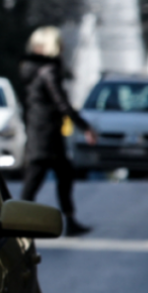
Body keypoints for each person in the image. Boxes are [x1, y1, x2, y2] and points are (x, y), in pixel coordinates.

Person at [18, 26, 98, 236]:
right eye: (60, 45)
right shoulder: (48, 70)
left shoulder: (30, 68)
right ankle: (18, 225)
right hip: (48, 134)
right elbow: (62, 103)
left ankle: (65, 221)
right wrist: (85, 127)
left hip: (39, 131)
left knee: (56, 176)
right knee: (37, 180)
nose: (63, 49)